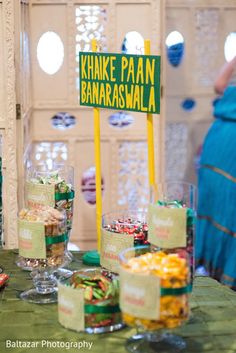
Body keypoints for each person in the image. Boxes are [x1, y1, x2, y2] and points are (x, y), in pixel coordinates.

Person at [196, 56, 236, 289]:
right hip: (226, 151)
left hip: (218, 143)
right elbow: (220, 86)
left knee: (221, 210)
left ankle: (217, 273)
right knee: (227, 212)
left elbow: (220, 84)